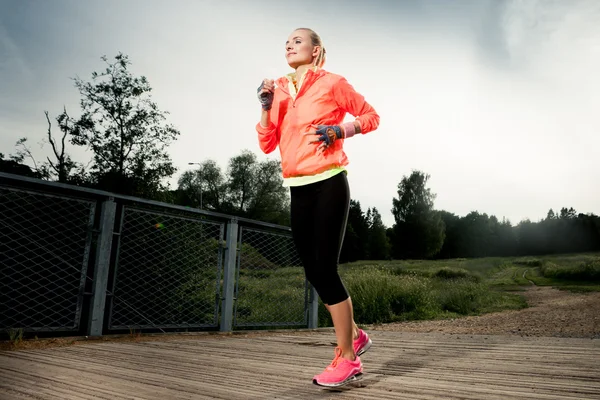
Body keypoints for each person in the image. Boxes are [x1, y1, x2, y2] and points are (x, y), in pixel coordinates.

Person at [255, 27, 380, 387]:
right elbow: (267, 144)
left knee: (325, 269)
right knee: (313, 272)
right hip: (297, 187)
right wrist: (265, 111)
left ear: (316, 50)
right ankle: (354, 335)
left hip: (329, 181)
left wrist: (341, 131)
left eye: (298, 40)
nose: (290, 45)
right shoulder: (278, 88)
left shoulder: (332, 83)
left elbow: (372, 116)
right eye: (286, 42)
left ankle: (349, 358)